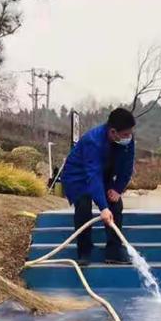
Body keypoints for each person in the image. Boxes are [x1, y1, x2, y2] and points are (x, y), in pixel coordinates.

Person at [62, 108, 135, 266]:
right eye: (125, 134)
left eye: (130, 133)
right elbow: (92, 176)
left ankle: (114, 252)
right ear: (113, 132)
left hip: (104, 173)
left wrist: (117, 188)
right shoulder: (92, 141)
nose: (129, 137)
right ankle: (84, 251)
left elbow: (127, 168)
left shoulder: (127, 140)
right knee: (83, 204)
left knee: (115, 203)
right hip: (78, 176)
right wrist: (103, 207)